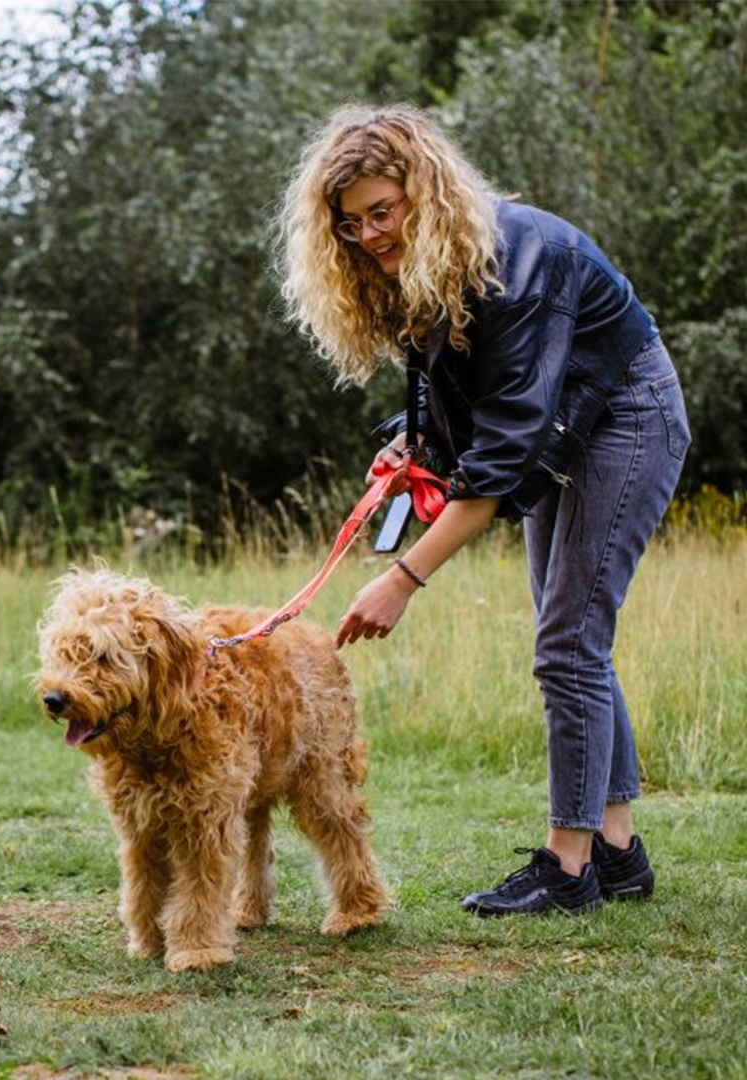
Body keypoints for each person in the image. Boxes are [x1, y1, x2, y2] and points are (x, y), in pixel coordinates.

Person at [275, 103, 690, 916]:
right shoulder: (423, 269)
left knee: (568, 641)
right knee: (571, 632)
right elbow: (469, 395)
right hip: (566, 427)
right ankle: (617, 850)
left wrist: (403, 577)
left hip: (625, 416)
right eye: (351, 223)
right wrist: (416, 443)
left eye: (382, 212)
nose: (369, 235)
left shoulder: (513, 263)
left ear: (423, 191)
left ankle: (568, 872)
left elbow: (499, 462)